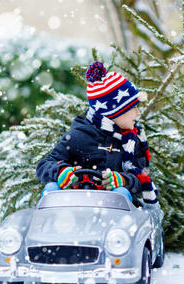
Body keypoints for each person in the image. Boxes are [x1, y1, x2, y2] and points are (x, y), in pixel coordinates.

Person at [36, 61, 158, 203]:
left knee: (121, 194)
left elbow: (141, 177)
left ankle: (121, 220)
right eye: (133, 108)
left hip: (113, 213)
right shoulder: (77, 137)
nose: (137, 113)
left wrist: (124, 180)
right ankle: (50, 220)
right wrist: (60, 172)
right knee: (51, 189)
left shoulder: (132, 141)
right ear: (114, 113)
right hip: (74, 205)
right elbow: (44, 164)